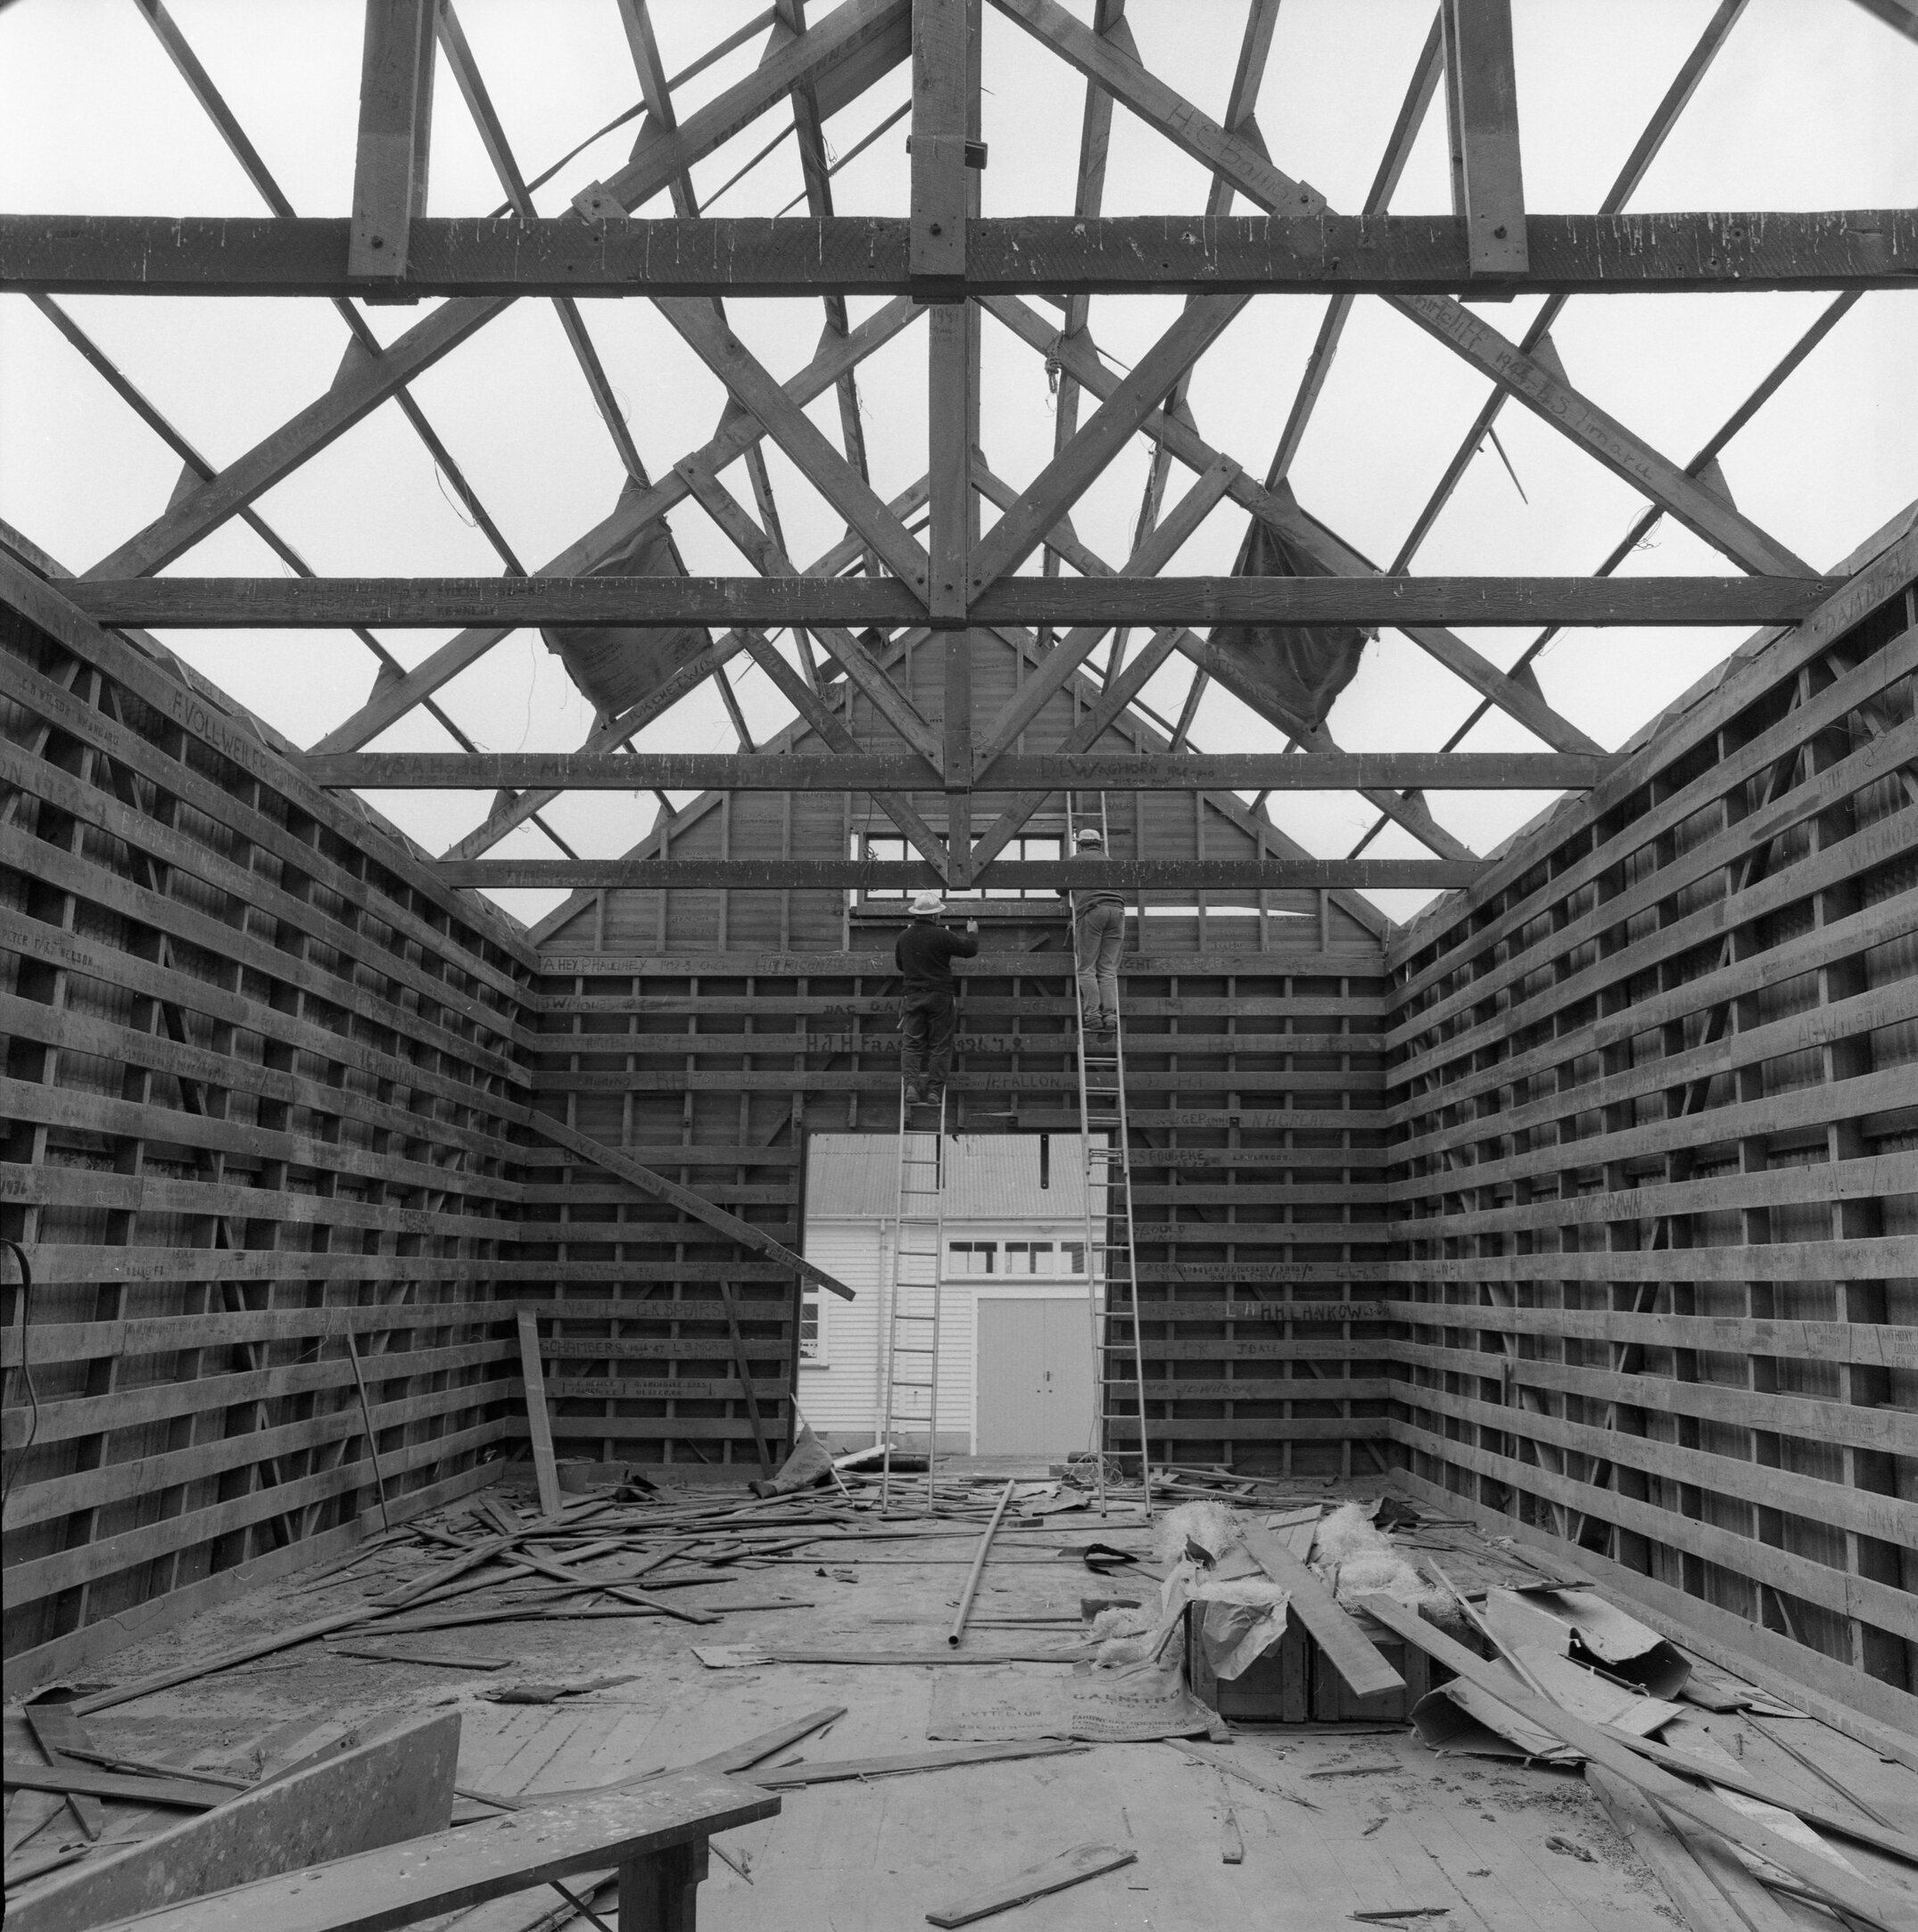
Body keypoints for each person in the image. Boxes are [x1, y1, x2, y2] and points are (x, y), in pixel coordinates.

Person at [895, 890, 979, 1105]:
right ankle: (934, 1092)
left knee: (911, 1045)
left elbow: (900, 966)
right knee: (940, 1046)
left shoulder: (904, 937)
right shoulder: (943, 935)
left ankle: (911, 1086)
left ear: (915, 914)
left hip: (913, 996)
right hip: (940, 997)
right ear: (935, 916)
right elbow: (969, 950)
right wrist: (972, 932)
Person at [1071, 825, 1125, 1048]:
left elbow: (1060, 890)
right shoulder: (1111, 861)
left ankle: (1093, 1016)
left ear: (1080, 843)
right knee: (1108, 970)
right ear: (1100, 844)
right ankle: (1110, 1017)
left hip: (1093, 910)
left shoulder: (1075, 861)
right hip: (1118, 912)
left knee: (1086, 968)